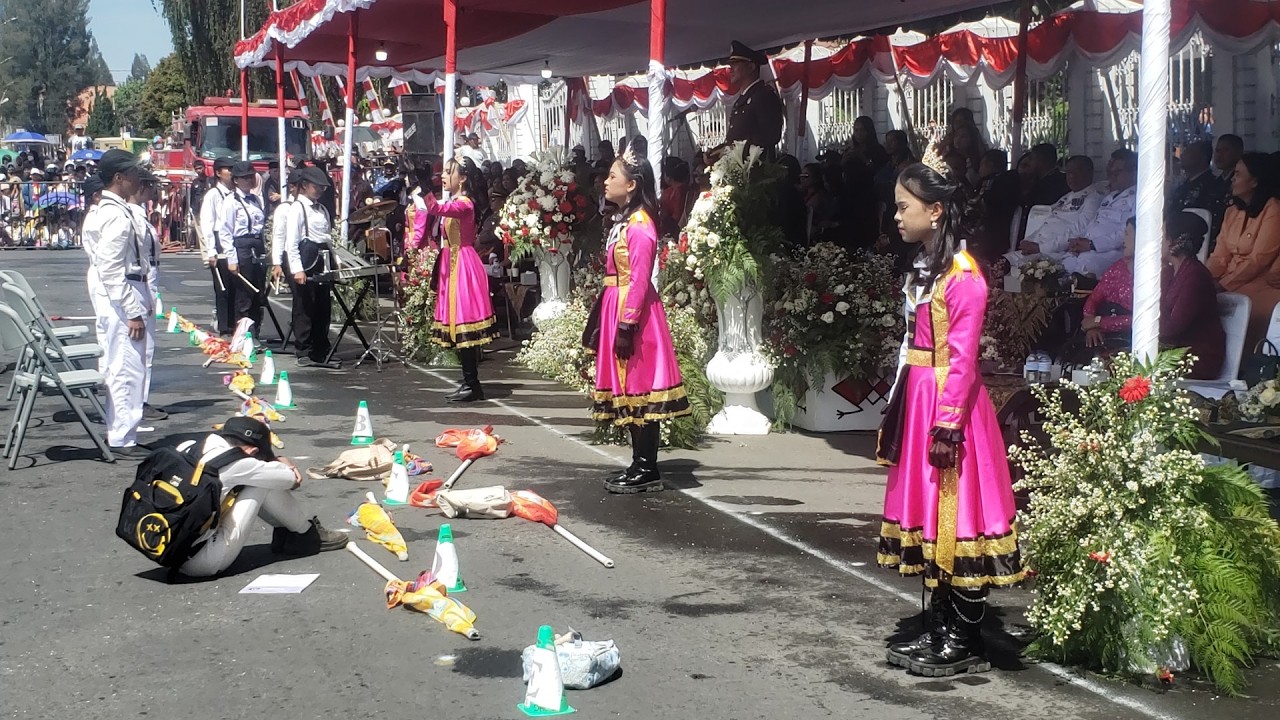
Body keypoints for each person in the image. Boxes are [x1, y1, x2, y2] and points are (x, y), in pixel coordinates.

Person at [876, 162, 1024, 675]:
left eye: (904, 207)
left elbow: (962, 359)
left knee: (957, 516)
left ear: (935, 211)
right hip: (920, 397)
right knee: (931, 513)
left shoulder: (963, 277)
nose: (897, 216)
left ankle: (964, 637)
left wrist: (947, 425)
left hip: (948, 406)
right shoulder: (926, 269)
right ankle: (939, 625)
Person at [587, 152, 692, 494]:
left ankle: (647, 466)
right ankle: (640, 463)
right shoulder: (624, 221)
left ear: (632, 185)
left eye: (612, 176)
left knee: (639, 387)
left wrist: (626, 324)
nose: (605, 182)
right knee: (631, 387)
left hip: (634, 314)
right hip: (616, 306)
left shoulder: (641, 225)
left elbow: (639, 278)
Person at [179, 416, 348, 578]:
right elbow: (291, 480)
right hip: (203, 561)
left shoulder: (189, 446)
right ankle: (306, 533)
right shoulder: (236, 463)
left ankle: (286, 534)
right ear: (253, 451)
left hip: (172, 551)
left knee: (250, 480)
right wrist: (278, 461)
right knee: (261, 483)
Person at [407, 158, 498, 402]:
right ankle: (469, 382)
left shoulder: (465, 203)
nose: (444, 176)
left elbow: (435, 209)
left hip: (463, 264)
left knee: (464, 323)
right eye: (443, 173)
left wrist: (426, 188)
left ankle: (472, 383)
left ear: (463, 178)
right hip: (452, 262)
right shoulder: (455, 202)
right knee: (457, 325)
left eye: (449, 172)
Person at [83, 150, 153, 459]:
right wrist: (132, 310)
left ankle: (124, 433)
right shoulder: (115, 214)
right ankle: (122, 437)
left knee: (125, 366)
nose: (139, 179)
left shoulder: (113, 209)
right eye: (133, 173)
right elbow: (111, 268)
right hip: (123, 292)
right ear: (119, 178)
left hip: (125, 289)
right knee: (126, 368)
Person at [1207, 152, 1280, 347]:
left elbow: (1259, 260)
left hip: (1260, 282)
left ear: (1254, 181)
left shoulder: (1273, 209)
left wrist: (1223, 285)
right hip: (1231, 280)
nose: (1232, 179)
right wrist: (1202, 279)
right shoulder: (1232, 212)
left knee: (1235, 309)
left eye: (1238, 174)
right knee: (1199, 299)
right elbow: (1219, 256)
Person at [283, 166, 342, 370]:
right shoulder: (297, 209)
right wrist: (297, 269)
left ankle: (320, 348)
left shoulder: (322, 209)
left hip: (322, 256)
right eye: (316, 186)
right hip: (306, 255)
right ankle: (304, 349)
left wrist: (336, 260)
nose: (320, 191)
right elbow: (291, 242)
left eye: (323, 188)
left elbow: (327, 238)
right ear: (305, 185)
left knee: (323, 306)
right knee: (304, 306)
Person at [1161, 212, 1225, 379]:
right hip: (1171, 350)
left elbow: (1172, 328)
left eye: (1162, 235)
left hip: (1197, 357)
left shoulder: (1196, 275)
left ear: (1173, 241)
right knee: (1111, 357)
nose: (1157, 241)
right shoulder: (1168, 272)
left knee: (1127, 363)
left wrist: (1134, 326)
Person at [1061, 149, 1138, 278]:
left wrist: (1093, 245)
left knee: (1083, 271)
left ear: (1134, 172)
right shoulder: (1109, 197)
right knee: (1059, 267)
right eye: (1110, 172)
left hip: (1109, 252)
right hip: (1087, 248)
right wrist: (1079, 241)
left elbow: (1129, 232)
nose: (1112, 176)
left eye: (1117, 172)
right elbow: (1094, 223)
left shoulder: (1138, 198)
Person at [130, 168, 168, 422]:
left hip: (148, 274)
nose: (154, 191)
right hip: (141, 277)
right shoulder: (132, 215)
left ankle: (139, 398)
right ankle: (138, 401)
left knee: (146, 347)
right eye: (151, 186)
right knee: (142, 347)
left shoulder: (140, 214)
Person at [222, 161, 269, 334]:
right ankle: (243, 334)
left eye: (251, 176)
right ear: (236, 180)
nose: (249, 180)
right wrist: (232, 259)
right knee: (244, 293)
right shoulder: (231, 201)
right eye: (245, 178)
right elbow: (225, 231)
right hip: (242, 245)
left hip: (257, 244)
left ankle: (255, 331)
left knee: (258, 291)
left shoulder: (256, 199)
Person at [720, 41, 784, 155]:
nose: (731, 70)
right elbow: (735, 138)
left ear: (751, 67)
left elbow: (770, 137)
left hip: (756, 164)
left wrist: (731, 150)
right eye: (731, 66)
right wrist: (715, 152)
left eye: (735, 64)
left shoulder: (764, 96)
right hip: (738, 163)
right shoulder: (743, 98)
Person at [199, 158, 237, 336]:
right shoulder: (213, 195)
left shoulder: (236, 193)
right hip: (218, 239)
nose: (231, 172)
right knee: (223, 286)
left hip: (234, 239)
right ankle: (224, 326)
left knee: (236, 284)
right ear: (218, 173)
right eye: (227, 169)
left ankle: (235, 323)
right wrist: (211, 250)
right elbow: (207, 223)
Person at [1169, 140, 1228, 240]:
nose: (1182, 155)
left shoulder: (1213, 186)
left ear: (1202, 157)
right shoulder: (1183, 185)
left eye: (1188, 152)